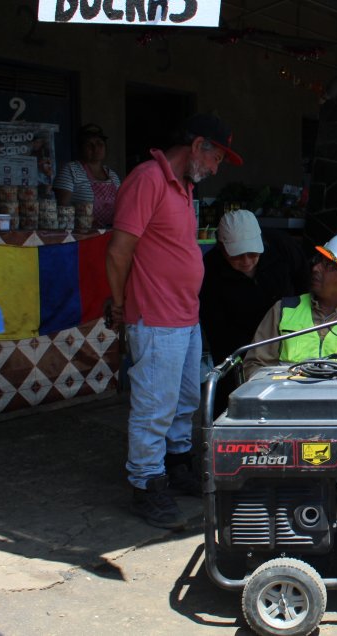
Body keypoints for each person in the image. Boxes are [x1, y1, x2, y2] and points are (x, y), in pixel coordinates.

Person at [106, 113, 242, 529]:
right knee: (154, 406)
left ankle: (176, 462)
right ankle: (146, 483)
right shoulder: (148, 178)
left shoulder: (182, 186)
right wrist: (118, 306)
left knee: (184, 401)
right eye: (217, 157)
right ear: (198, 144)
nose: (217, 168)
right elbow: (118, 251)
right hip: (156, 315)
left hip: (185, 315)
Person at [243, 230, 337, 377]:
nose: (315, 268)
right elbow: (254, 366)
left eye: (327, 266)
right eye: (318, 261)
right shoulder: (283, 311)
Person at [199, 209, 308, 413]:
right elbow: (216, 329)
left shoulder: (282, 246)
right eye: (238, 256)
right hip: (238, 336)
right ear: (223, 249)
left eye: (253, 253)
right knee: (233, 395)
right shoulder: (211, 269)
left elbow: (305, 286)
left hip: (288, 332)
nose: (247, 261)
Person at [54, 124, 122, 228]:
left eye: (100, 144)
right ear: (81, 149)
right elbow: (63, 208)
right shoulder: (71, 170)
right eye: (89, 145)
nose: (95, 148)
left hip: (110, 234)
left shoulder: (112, 175)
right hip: (83, 235)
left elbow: (122, 206)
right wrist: (85, 221)